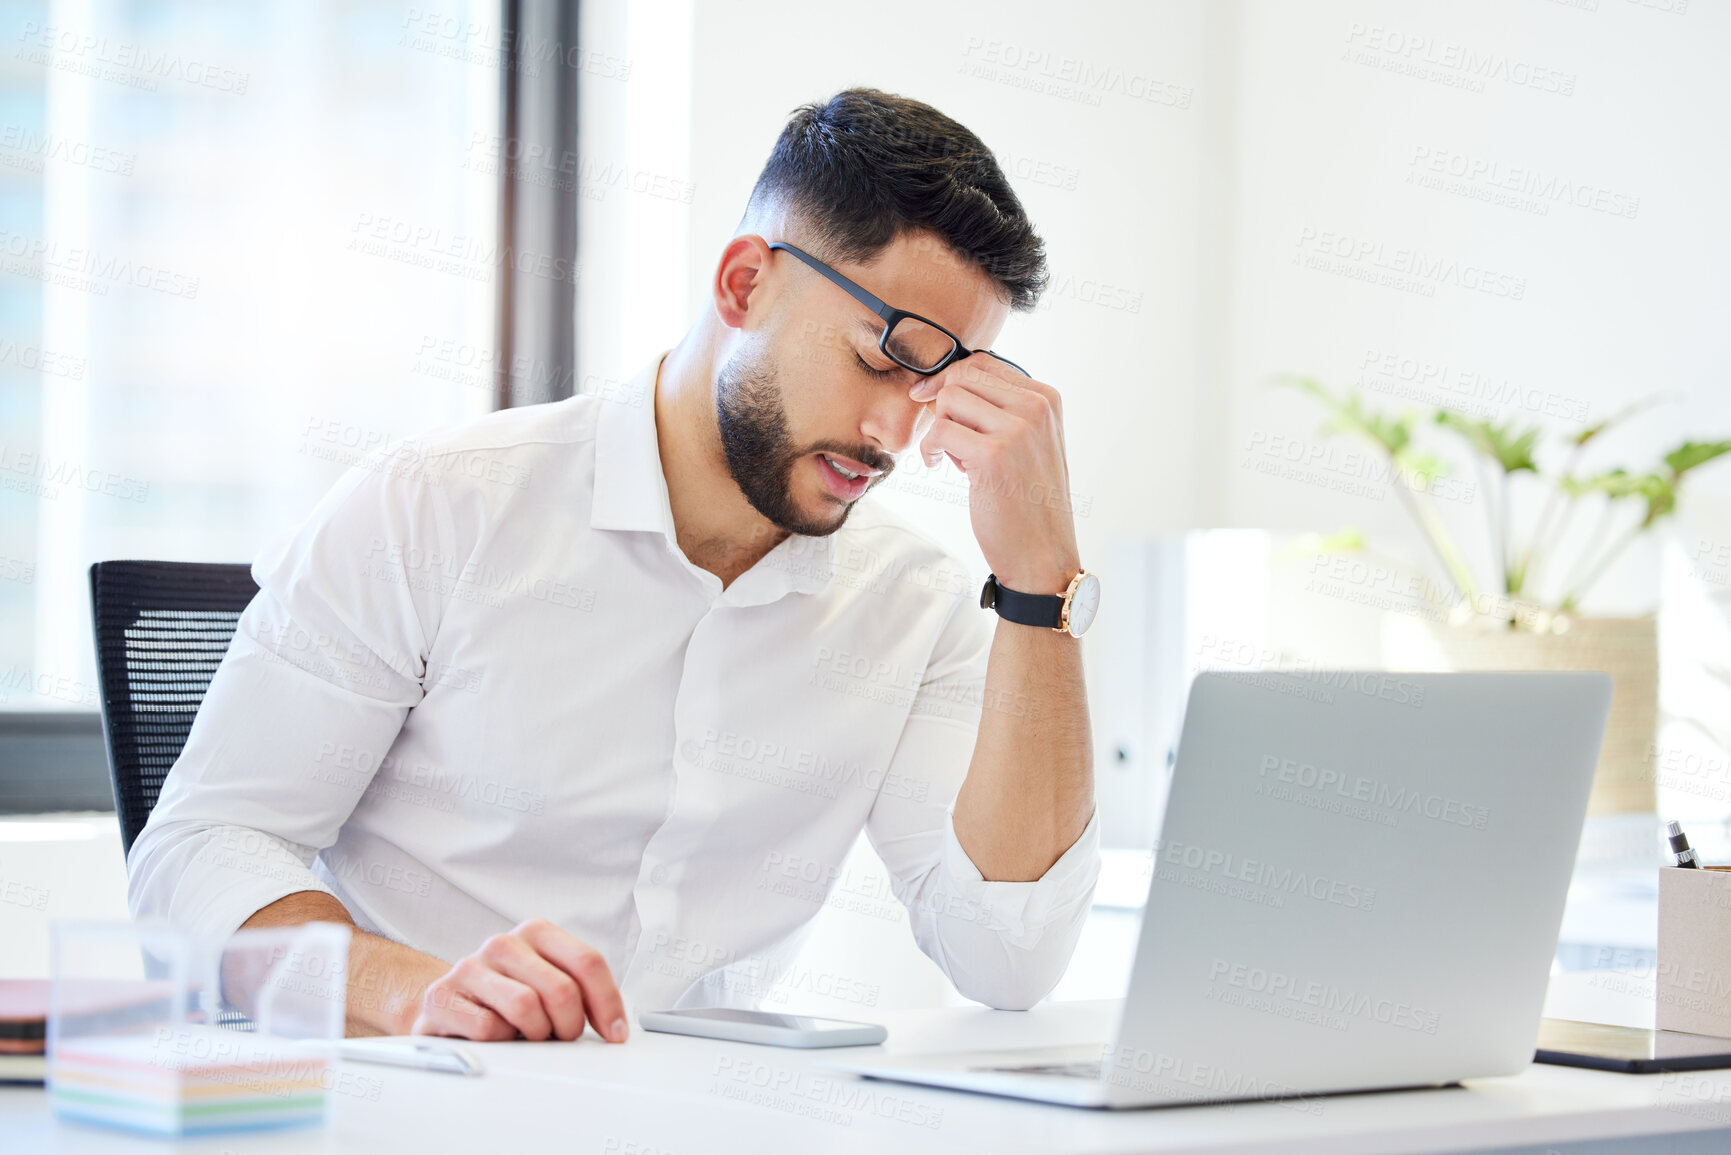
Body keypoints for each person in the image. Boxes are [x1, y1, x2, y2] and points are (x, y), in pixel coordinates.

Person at [129, 88, 1102, 1044]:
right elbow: (198, 856)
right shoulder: (434, 507)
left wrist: (1039, 582)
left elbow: (1006, 962)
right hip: (418, 1102)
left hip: (699, 1118)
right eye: (880, 357)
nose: (896, 432)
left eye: (938, 391)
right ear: (743, 284)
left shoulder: (916, 608)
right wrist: (413, 994)